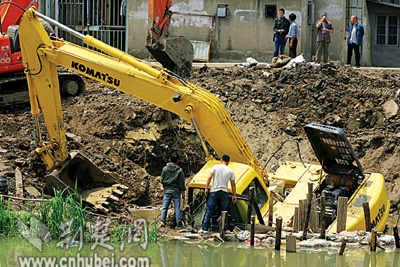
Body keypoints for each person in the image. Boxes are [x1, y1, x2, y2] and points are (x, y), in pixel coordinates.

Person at [199, 154, 237, 234]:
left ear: (221, 160)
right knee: (224, 211)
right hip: (223, 193)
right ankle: (224, 229)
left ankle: (205, 228)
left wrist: (206, 188)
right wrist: (234, 195)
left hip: (214, 192)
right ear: (229, 162)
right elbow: (233, 184)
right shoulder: (230, 171)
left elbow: (209, 177)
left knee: (209, 210)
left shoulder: (215, 167)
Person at [160, 152, 186, 229]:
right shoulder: (179, 170)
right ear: (177, 160)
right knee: (177, 207)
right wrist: (183, 191)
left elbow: (162, 179)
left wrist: (165, 187)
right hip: (176, 191)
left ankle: (162, 221)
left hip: (167, 191)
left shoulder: (165, 169)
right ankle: (179, 224)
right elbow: (181, 182)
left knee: (165, 207)